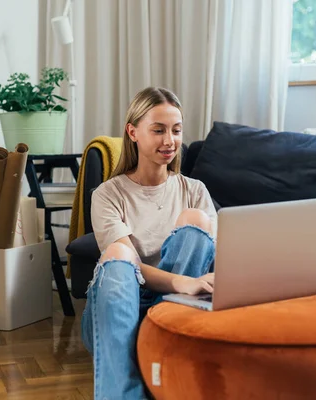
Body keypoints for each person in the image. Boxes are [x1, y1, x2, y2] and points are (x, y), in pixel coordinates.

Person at [82, 87, 218, 399]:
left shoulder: (195, 190)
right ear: (133, 132)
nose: (169, 141)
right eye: (158, 130)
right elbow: (125, 265)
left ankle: (160, 330)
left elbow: (219, 257)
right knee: (118, 254)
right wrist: (182, 282)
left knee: (196, 221)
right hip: (116, 309)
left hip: (173, 309)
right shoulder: (107, 195)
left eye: (176, 130)